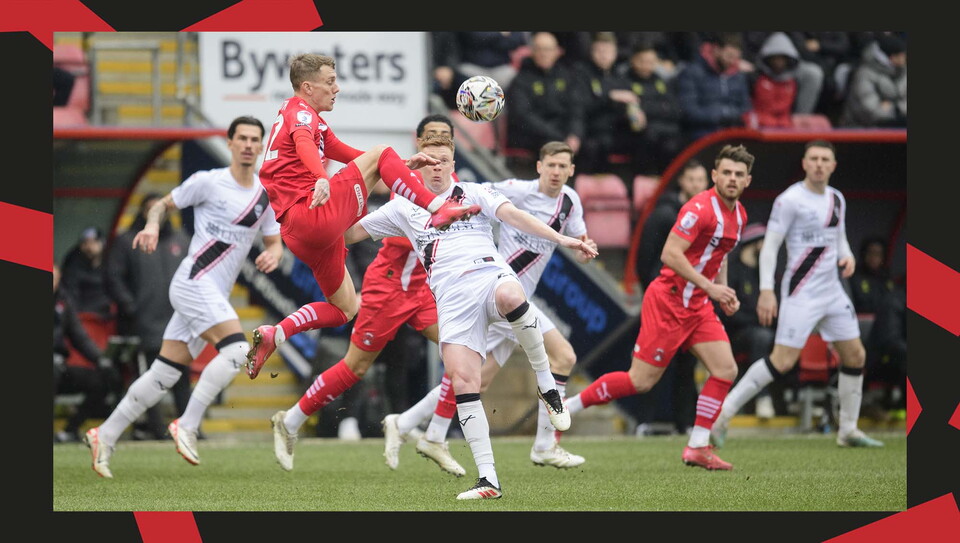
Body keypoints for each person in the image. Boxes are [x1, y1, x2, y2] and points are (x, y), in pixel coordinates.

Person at [346, 133, 596, 499]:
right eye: (428, 161)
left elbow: (515, 216)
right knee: (465, 382)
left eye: (442, 161)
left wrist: (564, 240)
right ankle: (488, 480)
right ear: (416, 164)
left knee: (513, 294)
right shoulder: (402, 207)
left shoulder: (474, 192)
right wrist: (353, 189)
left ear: (453, 165)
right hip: (451, 301)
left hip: (488, 276)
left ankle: (546, 385)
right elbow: (348, 233)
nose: (436, 167)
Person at [243, 53, 482, 382]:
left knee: (344, 308)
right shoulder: (301, 115)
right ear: (308, 87)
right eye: (330, 82)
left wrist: (400, 163)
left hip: (300, 235)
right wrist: (321, 177)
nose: (336, 88)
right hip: (311, 212)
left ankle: (277, 333)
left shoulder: (297, 113)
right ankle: (438, 208)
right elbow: (304, 144)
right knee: (381, 152)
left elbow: (340, 150)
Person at [84, 116, 285, 478]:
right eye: (242, 138)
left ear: (261, 145)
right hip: (194, 282)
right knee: (239, 349)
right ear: (230, 142)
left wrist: (275, 253)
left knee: (164, 373)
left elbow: (274, 238)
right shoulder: (208, 182)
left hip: (210, 293)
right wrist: (151, 224)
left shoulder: (264, 195)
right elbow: (160, 205)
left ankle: (105, 434)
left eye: (255, 139)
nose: (249, 145)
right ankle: (188, 425)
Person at [269, 114, 460, 454]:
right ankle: (296, 419)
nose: (438, 156)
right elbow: (363, 229)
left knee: (464, 354)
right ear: (419, 144)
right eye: (432, 140)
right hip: (385, 288)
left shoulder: (455, 187)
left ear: (454, 153)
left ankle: (429, 434)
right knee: (356, 366)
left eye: (445, 142)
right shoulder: (407, 190)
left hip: (420, 291)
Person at [565, 144, 755, 471]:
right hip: (668, 300)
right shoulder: (699, 208)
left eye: (739, 174)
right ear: (714, 175)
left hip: (697, 305)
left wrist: (724, 289)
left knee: (725, 369)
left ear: (748, 180)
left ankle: (697, 446)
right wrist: (710, 287)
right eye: (726, 172)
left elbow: (719, 254)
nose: (732, 179)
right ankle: (568, 406)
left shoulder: (739, 214)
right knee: (640, 381)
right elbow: (670, 254)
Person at [711, 140, 884, 449]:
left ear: (833, 165)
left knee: (856, 355)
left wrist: (848, 256)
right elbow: (771, 247)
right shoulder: (789, 200)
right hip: (801, 293)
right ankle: (723, 414)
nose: (819, 164)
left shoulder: (837, 199)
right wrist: (767, 291)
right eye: (813, 158)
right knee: (783, 360)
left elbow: (839, 238)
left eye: (825, 159)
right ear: (804, 163)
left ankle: (848, 430)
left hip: (832, 291)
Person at [105, 192, 192, 440]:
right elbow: (113, 278)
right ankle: (156, 429)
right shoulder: (127, 241)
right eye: (150, 209)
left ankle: (187, 428)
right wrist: (130, 307)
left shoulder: (182, 240)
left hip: (178, 322)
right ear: (142, 213)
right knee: (150, 376)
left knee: (181, 377)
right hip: (144, 325)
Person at [632, 159, 709, 436]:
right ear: (681, 182)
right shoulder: (665, 214)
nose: (697, 186)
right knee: (653, 361)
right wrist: (653, 289)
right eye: (692, 180)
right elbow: (645, 256)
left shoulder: (709, 215)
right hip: (665, 299)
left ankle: (685, 423)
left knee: (688, 364)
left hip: (693, 301)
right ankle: (645, 421)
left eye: (701, 180)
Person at [720, 223, 778, 419]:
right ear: (755, 245)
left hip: (763, 332)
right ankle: (763, 398)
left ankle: (782, 400)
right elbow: (728, 313)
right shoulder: (733, 271)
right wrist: (757, 318)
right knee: (760, 336)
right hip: (734, 336)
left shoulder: (765, 276)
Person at [54, 263, 112, 443]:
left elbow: (79, 337)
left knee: (102, 380)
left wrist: (101, 359)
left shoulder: (63, 300)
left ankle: (69, 431)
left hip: (59, 367)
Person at [506, 32, 586, 162]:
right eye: (540, 49)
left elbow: (576, 108)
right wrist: (560, 137)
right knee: (553, 148)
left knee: (590, 144)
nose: (544, 54)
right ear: (532, 51)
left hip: (563, 132)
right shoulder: (521, 80)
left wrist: (575, 134)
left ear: (556, 52)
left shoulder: (566, 76)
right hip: (535, 136)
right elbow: (524, 116)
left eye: (548, 49)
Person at [676, 33, 752, 142]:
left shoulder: (738, 76)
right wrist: (721, 115)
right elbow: (689, 111)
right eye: (729, 56)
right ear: (716, 50)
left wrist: (727, 114)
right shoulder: (693, 72)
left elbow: (745, 108)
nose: (732, 62)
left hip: (732, 134)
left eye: (736, 58)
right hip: (701, 135)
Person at [623, 42, 683, 176]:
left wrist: (646, 108)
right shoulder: (625, 80)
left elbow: (675, 109)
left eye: (651, 62)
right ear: (633, 60)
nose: (646, 65)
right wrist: (660, 108)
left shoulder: (660, 81)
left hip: (664, 130)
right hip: (639, 135)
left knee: (674, 143)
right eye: (642, 61)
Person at [839, 34, 906, 128]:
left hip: (896, 122)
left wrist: (895, 108)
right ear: (892, 57)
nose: (905, 59)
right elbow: (869, 110)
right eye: (902, 56)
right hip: (862, 128)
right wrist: (896, 111)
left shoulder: (903, 72)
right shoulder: (864, 74)